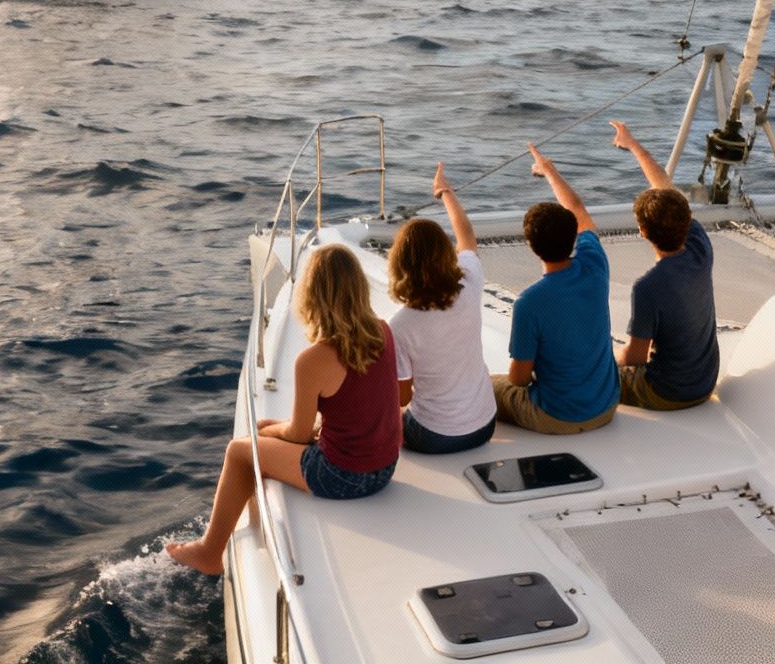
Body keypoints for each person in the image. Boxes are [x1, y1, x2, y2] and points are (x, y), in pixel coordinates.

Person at [167, 244, 399, 576]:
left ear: (312, 296)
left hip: (343, 477)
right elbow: (362, 405)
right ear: (359, 289)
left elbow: (298, 434)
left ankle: (209, 552)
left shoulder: (313, 359)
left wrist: (269, 428)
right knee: (260, 442)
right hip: (385, 469)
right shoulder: (383, 331)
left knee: (239, 450)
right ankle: (246, 520)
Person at [491, 143, 618, 434]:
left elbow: (520, 379)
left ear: (532, 247)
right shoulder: (595, 265)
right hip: (607, 406)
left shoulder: (529, 303)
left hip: (558, 417)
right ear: (573, 237)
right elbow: (578, 209)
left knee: (486, 386)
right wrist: (549, 170)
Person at [385, 163, 497, 454]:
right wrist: (445, 192)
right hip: (485, 426)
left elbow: (401, 397)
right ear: (446, 254)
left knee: (379, 416)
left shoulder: (400, 325)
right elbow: (467, 236)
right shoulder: (470, 284)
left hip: (432, 436)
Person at [608, 121, 719, 410]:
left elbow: (635, 358)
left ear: (642, 232)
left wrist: (608, 358)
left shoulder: (649, 286)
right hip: (705, 383)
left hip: (667, 392)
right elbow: (665, 187)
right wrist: (632, 145)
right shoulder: (700, 248)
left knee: (582, 375)